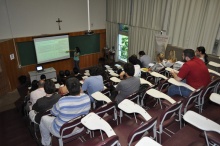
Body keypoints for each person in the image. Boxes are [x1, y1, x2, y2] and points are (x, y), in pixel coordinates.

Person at [39, 77, 91, 146]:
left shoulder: (62, 101)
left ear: (68, 90)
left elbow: (53, 113)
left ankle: (46, 143)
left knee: (43, 118)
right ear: (79, 86)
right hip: (80, 127)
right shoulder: (87, 97)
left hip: (63, 132)